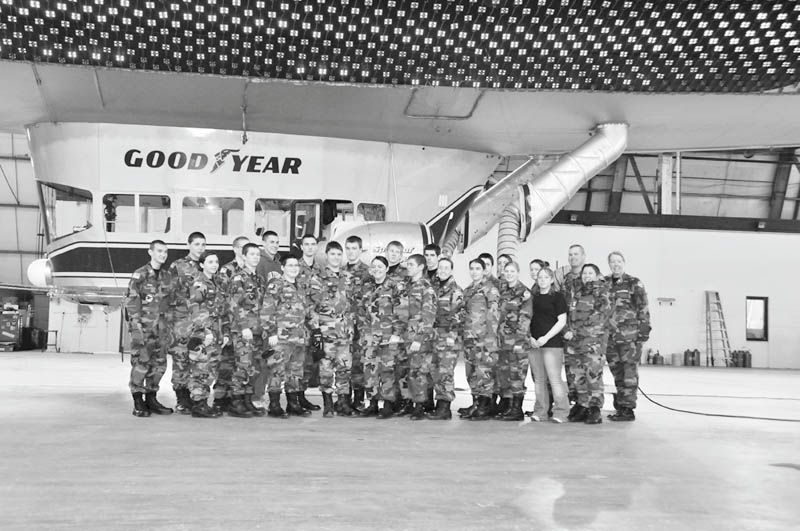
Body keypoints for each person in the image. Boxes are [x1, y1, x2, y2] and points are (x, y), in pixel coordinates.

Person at [308, 241, 357, 417]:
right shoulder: (317, 278)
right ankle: (328, 403)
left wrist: (352, 325)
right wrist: (315, 331)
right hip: (326, 332)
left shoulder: (349, 277)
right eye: (332, 254)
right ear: (327, 255)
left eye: (338, 254)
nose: (336, 257)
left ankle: (343, 403)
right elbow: (311, 307)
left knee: (344, 368)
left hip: (344, 332)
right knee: (326, 368)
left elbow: (353, 305)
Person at [125, 239, 173, 417]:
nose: (163, 255)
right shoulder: (140, 274)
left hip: (162, 329)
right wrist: (136, 326)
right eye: (159, 251)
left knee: (159, 364)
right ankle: (138, 399)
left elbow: (171, 302)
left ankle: (151, 398)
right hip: (144, 328)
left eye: (165, 252)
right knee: (141, 362)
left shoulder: (167, 277)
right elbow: (132, 301)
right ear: (150, 252)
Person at [261, 255, 312, 418]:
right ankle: (274, 405)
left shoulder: (301, 287)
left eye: (296, 265)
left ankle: (293, 403)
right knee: (276, 370)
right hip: (281, 337)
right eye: (290, 265)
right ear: (282, 268)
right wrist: (271, 332)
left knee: (295, 372)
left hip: (298, 337)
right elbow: (267, 309)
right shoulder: (276, 285)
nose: (294, 268)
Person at [563, 263, 612, 425]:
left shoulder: (602, 293)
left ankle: (595, 408)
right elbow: (571, 316)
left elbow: (599, 318)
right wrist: (568, 330)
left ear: (597, 276)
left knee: (593, 376)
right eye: (584, 273)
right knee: (578, 376)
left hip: (592, 343)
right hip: (575, 344)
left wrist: (577, 332)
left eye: (590, 273)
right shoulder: (577, 293)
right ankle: (583, 405)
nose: (586, 276)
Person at [605, 251, 651, 421]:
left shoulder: (634, 283)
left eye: (618, 261)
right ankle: (620, 407)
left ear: (624, 262)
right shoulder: (604, 282)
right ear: (609, 264)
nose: (615, 264)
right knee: (616, 372)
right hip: (610, 337)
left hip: (630, 337)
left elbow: (643, 308)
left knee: (629, 373)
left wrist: (643, 332)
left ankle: (628, 408)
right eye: (612, 262)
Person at [359, 256, 403, 419]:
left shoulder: (394, 287)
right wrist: (363, 331)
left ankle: (388, 404)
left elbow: (401, 311)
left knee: (387, 370)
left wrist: (396, 334)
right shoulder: (367, 287)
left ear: (386, 268)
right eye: (374, 267)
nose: (377, 269)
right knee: (369, 370)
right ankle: (372, 403)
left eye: (380, 266)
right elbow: (361, 311)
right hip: (370, 336)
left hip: (387, 336)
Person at [186, 251, 229, 418]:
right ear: (202, 264)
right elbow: (194, 308)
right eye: (210, 262)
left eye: (216, 262)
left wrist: (224, 332)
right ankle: (198, 404)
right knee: (201, 370)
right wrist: (205, 331)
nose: (214, 265)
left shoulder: (217, 283)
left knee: (211, 369)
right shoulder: (199, 283)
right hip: (204, 335)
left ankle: (204, 402)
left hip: (216, 334)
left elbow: (222, 311)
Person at [167, 231, 206, 413]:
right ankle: (181, 398)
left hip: (199, 320)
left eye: (203, 245)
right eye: (197, 244)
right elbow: (170, 291)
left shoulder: (205, 266)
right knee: (181, 358)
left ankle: (194, 394)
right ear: (189, 245)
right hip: (182, 319)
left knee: (197, 357)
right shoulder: (178, 266)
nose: (200, 248)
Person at [227, 243, 266, 418]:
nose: (256, 257)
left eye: (258, 254)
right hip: (244, 331)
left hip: (257, 330)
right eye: (252, 254)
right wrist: (244, 327)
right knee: (242, 365)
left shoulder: (259, 279)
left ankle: (247, 400)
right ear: (244, 257)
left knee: (254, 367)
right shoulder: (239, 278)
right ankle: (236, 401)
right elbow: (235, 305)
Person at [460, 258, 501, 421]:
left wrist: (490, 339)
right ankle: (476, 403)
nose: (474, 271)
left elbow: (495, 315)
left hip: (485, 338)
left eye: (478, 268)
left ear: (484, 271)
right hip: (470, 337)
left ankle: (484, 406)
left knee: (484, 372)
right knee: (471, 373)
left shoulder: (490, 290)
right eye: (472, 268)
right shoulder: (468, 289)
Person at [528, 267, 570, 423]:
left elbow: (562, 321)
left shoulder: (557, 297)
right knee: (539, 380)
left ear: (552, 280)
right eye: (540, 277)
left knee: (554, 379)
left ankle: (561, 412)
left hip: (552, 343)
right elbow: (527, 319)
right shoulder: (533, 298)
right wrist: (531, 337)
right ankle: (541, 411)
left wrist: (546, 337)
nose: (542, 280)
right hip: (534, 344)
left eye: (546, 277)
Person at [214, 236, 249, 412]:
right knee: (225, 363)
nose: (244, 251)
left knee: (241, 363)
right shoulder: (226, 270)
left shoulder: (250, 271)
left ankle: (238, 397)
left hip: (244, 326)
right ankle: (220, 399)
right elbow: (221, 299)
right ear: (235, 249)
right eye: (242, 248)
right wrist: (224, 326)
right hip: (229, 323)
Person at [494, 261, 532, 421]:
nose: (509, 274)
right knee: (504, 374)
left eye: (512, 271)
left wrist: (519, 341)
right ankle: (508, 406)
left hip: (517, 343)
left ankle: (517, 409)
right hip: (502, 341)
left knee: (517, 375)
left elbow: (525, 318)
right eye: (506, 271)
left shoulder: (524, 293)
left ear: (517, 272)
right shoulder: (502, 290)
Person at [403, 254, 437, 420]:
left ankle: (420, 405)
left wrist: (419, 338)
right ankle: (411, 401)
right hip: (406, 336)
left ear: (421, 267)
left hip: (418, 338)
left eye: (411, 264)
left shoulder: (426, 288)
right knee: (409, 372)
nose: (407, 266)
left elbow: (428, 315)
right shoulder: (408, 286)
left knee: (419, 372)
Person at [296, 234, 323, 411]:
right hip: (299, 323)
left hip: (318, 322)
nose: (310, 247)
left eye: (313, 244)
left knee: (311, 363)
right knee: (298, 362)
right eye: (307, 244)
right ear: (302, 247)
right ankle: (296, 397)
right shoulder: (295, 267)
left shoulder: (322, 270)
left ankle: (303, 395)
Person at [345, 235, 371, 410]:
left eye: (354, 248)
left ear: (360, 250)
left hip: (361, 326)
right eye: (348, 248)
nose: (351, 251)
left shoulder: (369, 272)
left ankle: (359, 398)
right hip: (343, 326)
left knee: (359, 363)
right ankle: (344, 397)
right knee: (344, 362)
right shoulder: (339, 271)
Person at [560, 244, 586, 404]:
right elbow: (562, 307)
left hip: (586, 335)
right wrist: (565, 330)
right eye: (570, 254)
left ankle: (588, 406)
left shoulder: (592, 277)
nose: (573, 257)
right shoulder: (567, 279)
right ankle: (575, 404)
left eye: (576, 254)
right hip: (568, 333)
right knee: (571, 370)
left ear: (583, 256)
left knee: (588, 372)